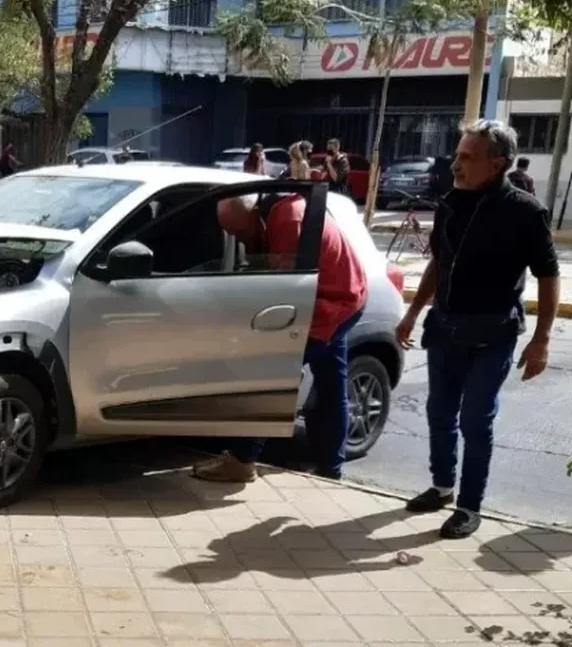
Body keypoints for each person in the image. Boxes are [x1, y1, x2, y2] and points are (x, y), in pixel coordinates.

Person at [396, 119, 560, 540]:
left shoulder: (525, 211)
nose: (456, 164)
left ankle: (469, 506)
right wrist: (414, 310)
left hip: (493, 334)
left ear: (496, 164)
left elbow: (548, 274)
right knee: (439, 413)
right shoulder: (451, 202)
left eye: (467, 158)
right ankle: (441, 486)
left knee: (475, 419)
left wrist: (541, 339)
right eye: (457, 155)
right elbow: (440, 262)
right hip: (445, 327)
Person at [193, 189, 368, 483]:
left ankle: (243, 460)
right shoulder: (269, 214)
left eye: (238, 231)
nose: (239, 239)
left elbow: (284, 290)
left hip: (331, 303)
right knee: (331, 383)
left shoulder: (287, 219)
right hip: (343, 295)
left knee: (269, 373)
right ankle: (332, 470)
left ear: (252, 214)